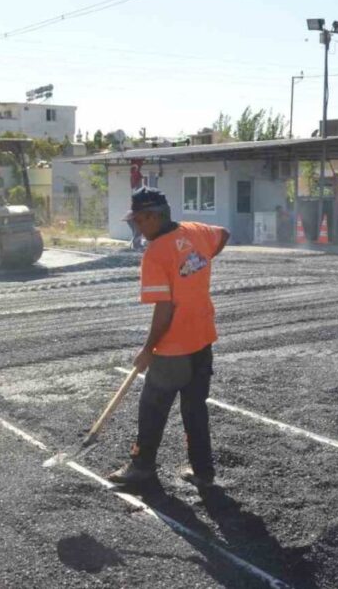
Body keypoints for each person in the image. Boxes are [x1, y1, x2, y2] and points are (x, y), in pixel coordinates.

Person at [108, 187, 230, 490]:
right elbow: (223, 234)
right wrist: (200, 262)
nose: (137, 227)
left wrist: (148, 349)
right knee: (195, 408)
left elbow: (164, 309)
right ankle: (203, 471)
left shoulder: (156, 253)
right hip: (202, 338)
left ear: (153, 216)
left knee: (152, 408)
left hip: (173, 348)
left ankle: (142, 467)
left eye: (139, 220)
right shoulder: (196, 231)